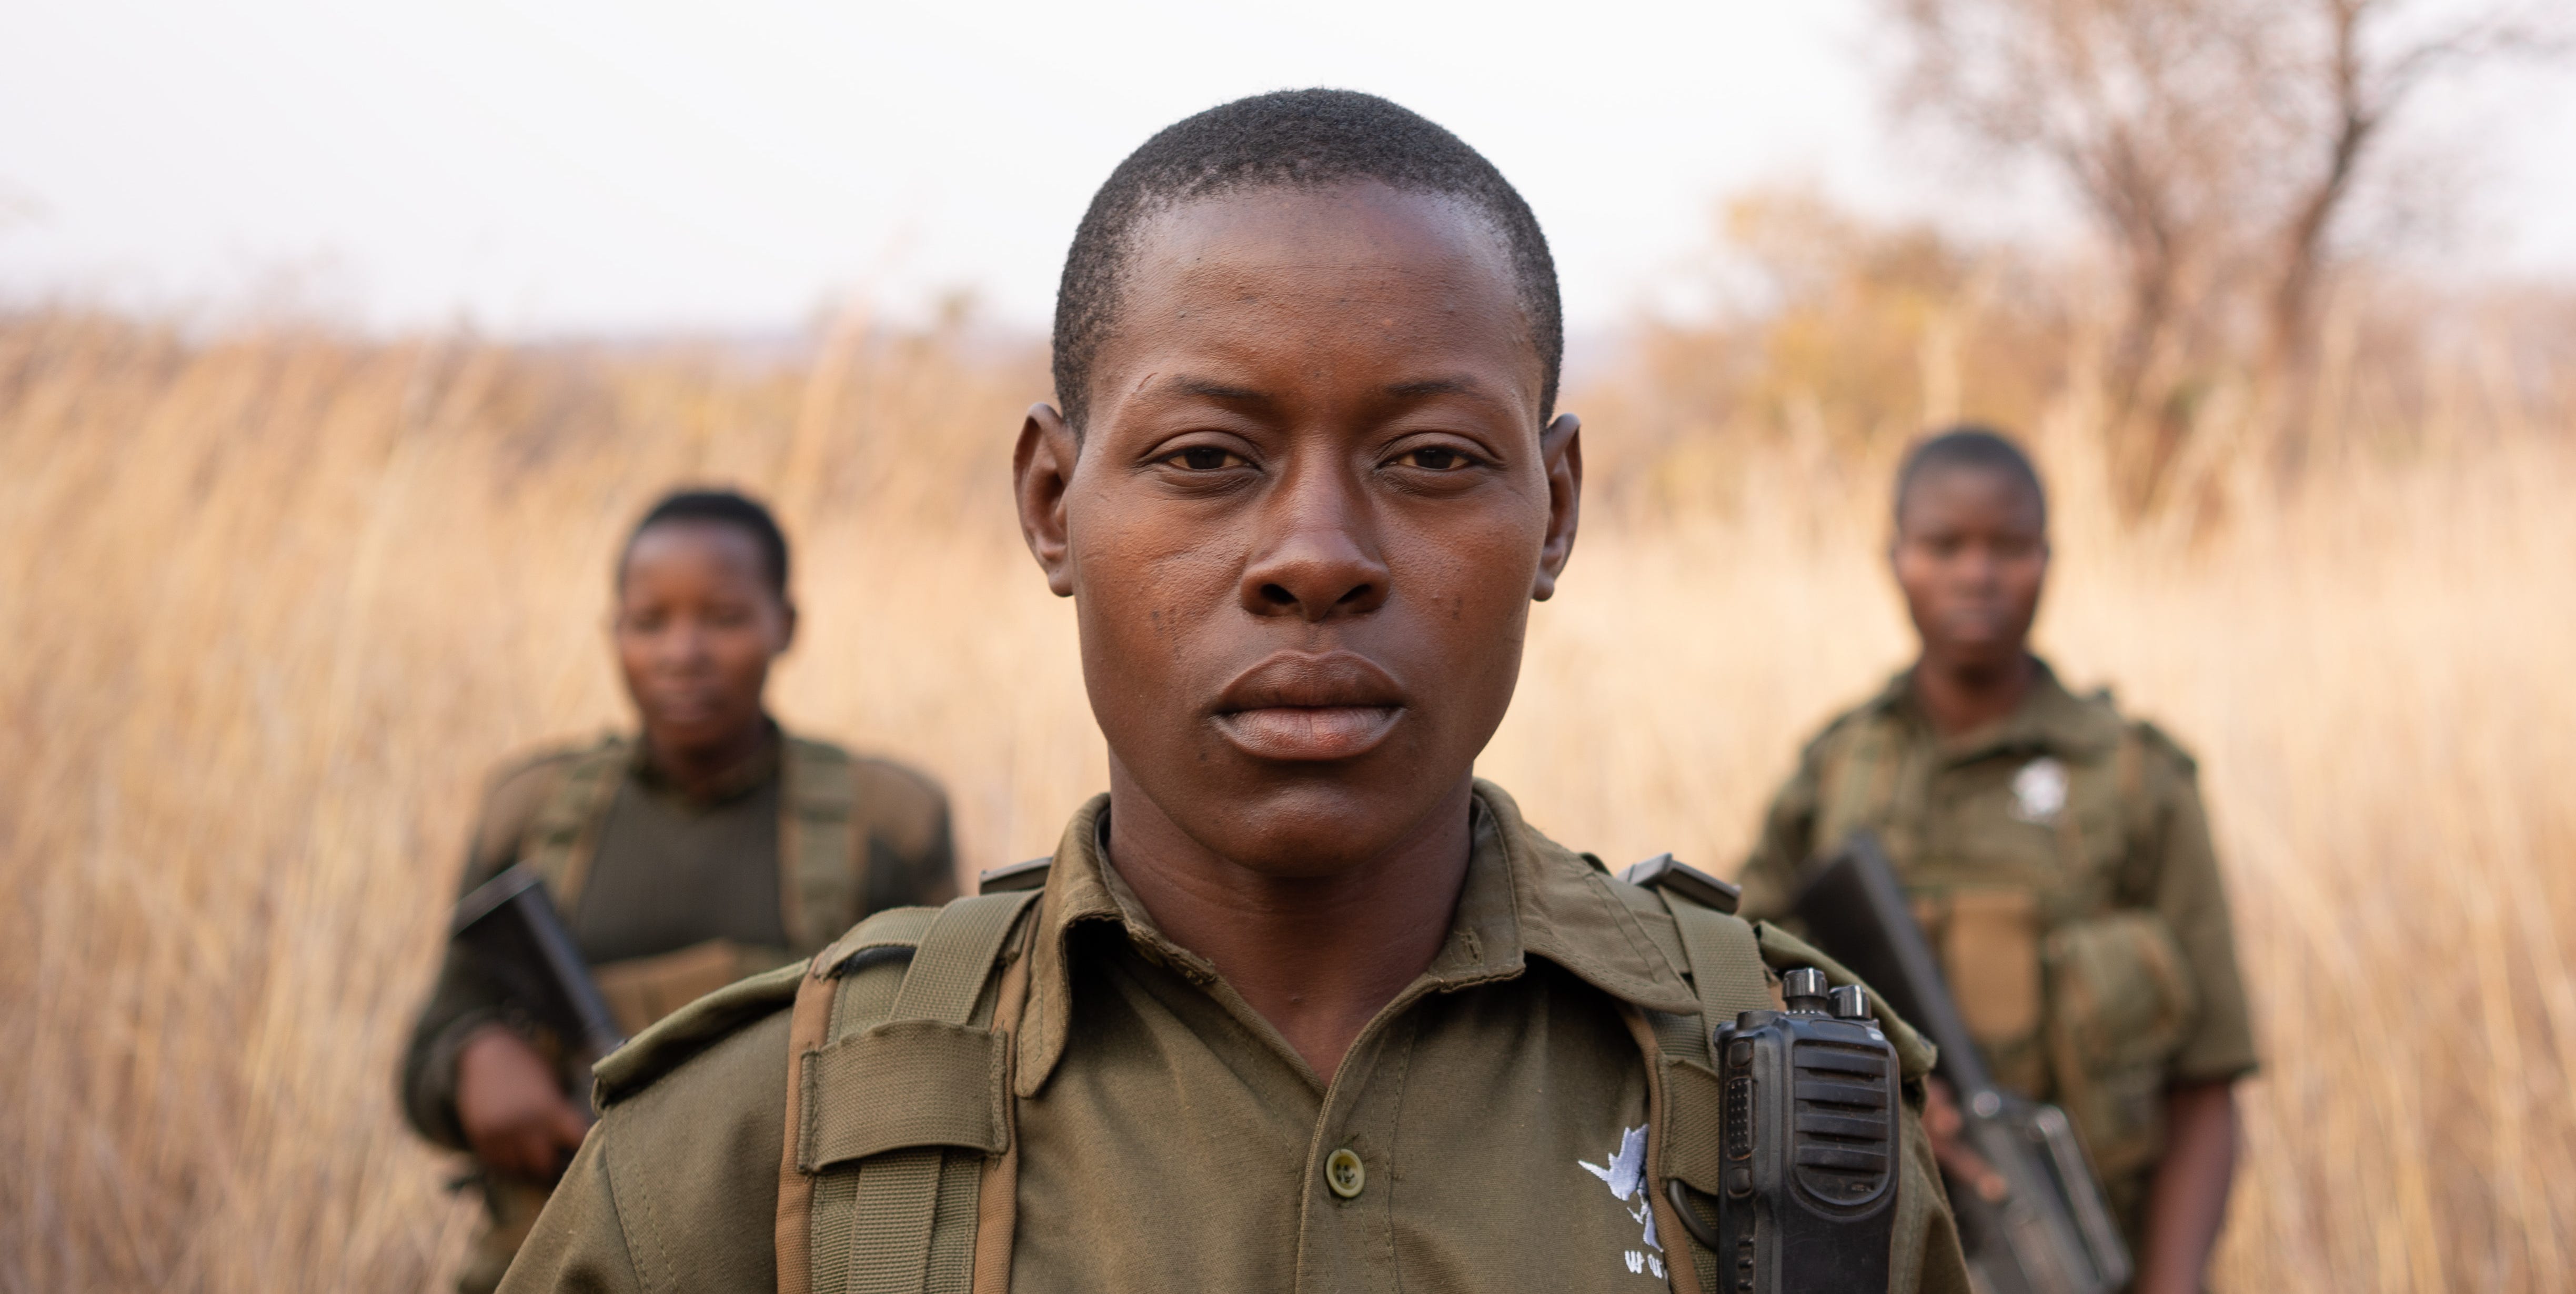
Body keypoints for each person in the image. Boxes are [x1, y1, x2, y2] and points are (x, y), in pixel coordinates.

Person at [499, 89, 1970, 1294]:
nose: (1317, 556)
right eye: (1208, 458)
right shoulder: (748, 1158)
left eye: (1435, 459)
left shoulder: (1795, 1128)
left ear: (1559, 507)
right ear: (1054, 503)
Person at [1735, 427, 2258, 1294]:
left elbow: (2209, 1078)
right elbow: (1734, 959)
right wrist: (1882, 1086)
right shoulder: (1837, 769)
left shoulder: (2137, 777)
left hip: (2078, 1250)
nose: (1977, 574)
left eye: (2008, 547)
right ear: (1896, 558)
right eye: (1945, 546)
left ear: (2049, 558)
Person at [399, 487, 957, 1294]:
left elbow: (947, 1064)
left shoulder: (886, 820)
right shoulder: (535, 813)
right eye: (648, 623)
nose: (681, 653)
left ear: (785, 626)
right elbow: (430, 1047)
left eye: (724, 618)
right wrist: (473, 1062)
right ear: (613, 634)